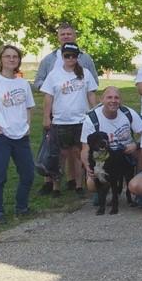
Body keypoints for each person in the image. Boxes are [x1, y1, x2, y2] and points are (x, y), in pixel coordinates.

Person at [34, 22, 99, 196]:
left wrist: (96, 112)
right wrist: (47, 117)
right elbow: (48, 96)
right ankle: (54, 185)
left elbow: (92, 92)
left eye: (73, 56)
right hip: (60, 120)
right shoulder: (52, 70)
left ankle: (78, 184)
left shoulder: (85, 70)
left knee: (78, 154)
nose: (70, 58)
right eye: (67, 56)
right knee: (58, 154)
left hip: (81, 119)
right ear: (62, 56)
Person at [0, 45, 36, 224]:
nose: (11, 59)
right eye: (7, 56)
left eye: (15, 57)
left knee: (28, 174)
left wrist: (27, 125)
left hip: (21, 136)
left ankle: (22, 207)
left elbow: (30, 107)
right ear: (0, 59)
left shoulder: (23, 83)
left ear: (18, 60)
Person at [80, 87, 142, 203]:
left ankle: (139, 188)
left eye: (116, 98)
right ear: (102, 100)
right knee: (91, 184)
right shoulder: (91, 118)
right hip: (103, 156)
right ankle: (100, 189)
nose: (113, 101)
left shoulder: (128, 113)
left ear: (121, 100)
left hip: (125, 153)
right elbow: (85, 148)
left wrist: (136, 145)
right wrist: (88, 167)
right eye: (109, 97)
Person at [34, 22, 99, 90]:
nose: (66, 36)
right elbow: (38, 81)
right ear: (58, 37)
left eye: (69, 34)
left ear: (75, 36)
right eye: (62, 34)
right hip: (55, 99)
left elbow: (94, 83)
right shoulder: (48, 59)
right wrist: (49, 89)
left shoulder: (85, 58)